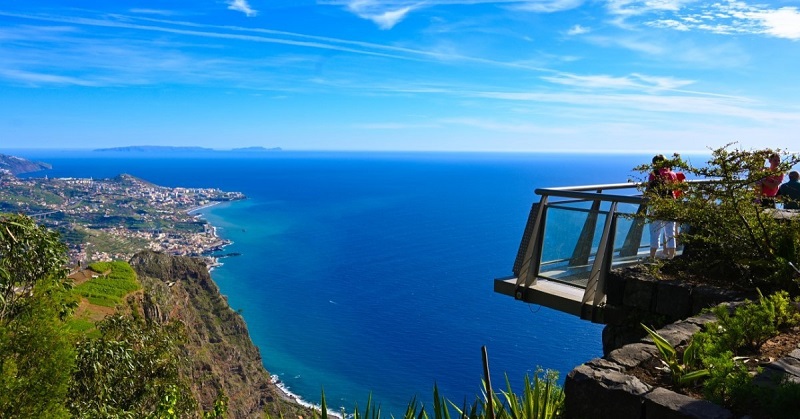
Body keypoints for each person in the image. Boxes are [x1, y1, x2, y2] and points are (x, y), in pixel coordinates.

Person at [647, 154, 678, 259]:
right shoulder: (672, 174)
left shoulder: (654, 174)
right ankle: (671, 256)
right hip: (670, 204)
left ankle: (652, 256)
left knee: (655, 231)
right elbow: (675, 188)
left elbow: (649, 189)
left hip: (656, 204)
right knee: (670, 231)